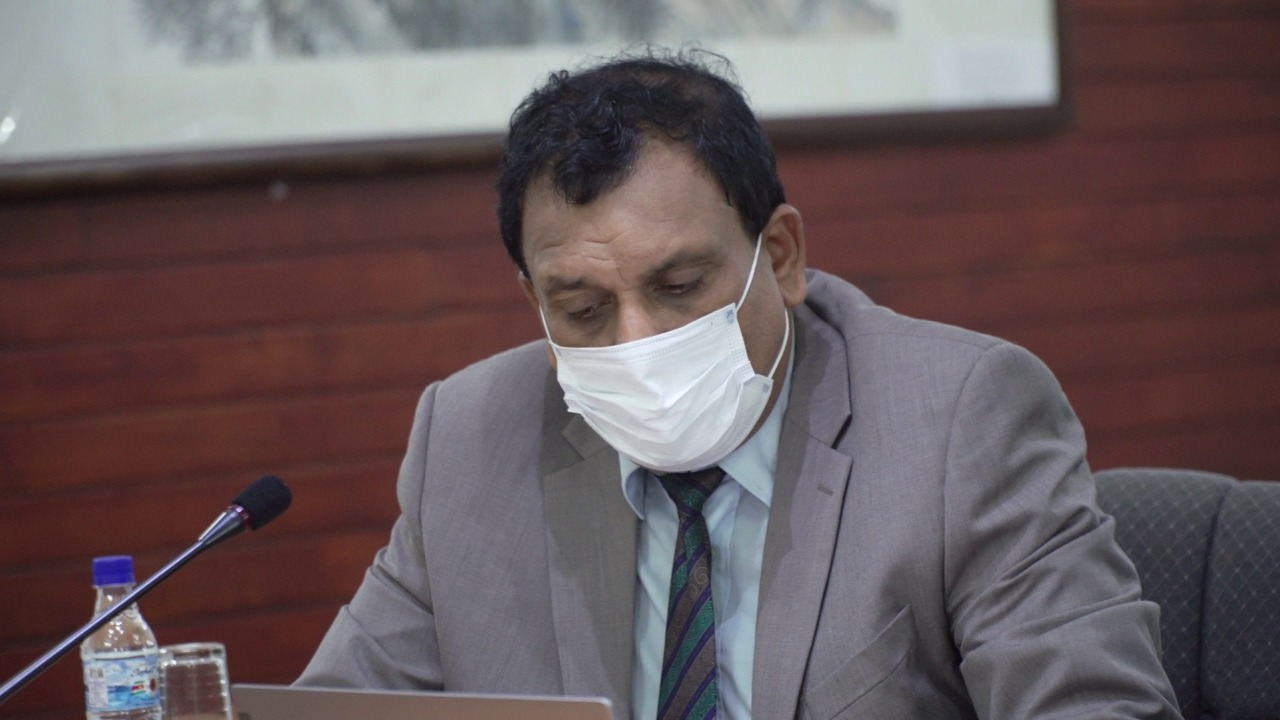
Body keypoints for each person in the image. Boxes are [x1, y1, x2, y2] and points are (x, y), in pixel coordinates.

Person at [297, 48, 1180, 719]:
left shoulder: (961, 418)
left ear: (782, 257)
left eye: (680, 287)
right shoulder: (467, 439)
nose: (637, 343)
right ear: (535, 303)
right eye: (583, 309)